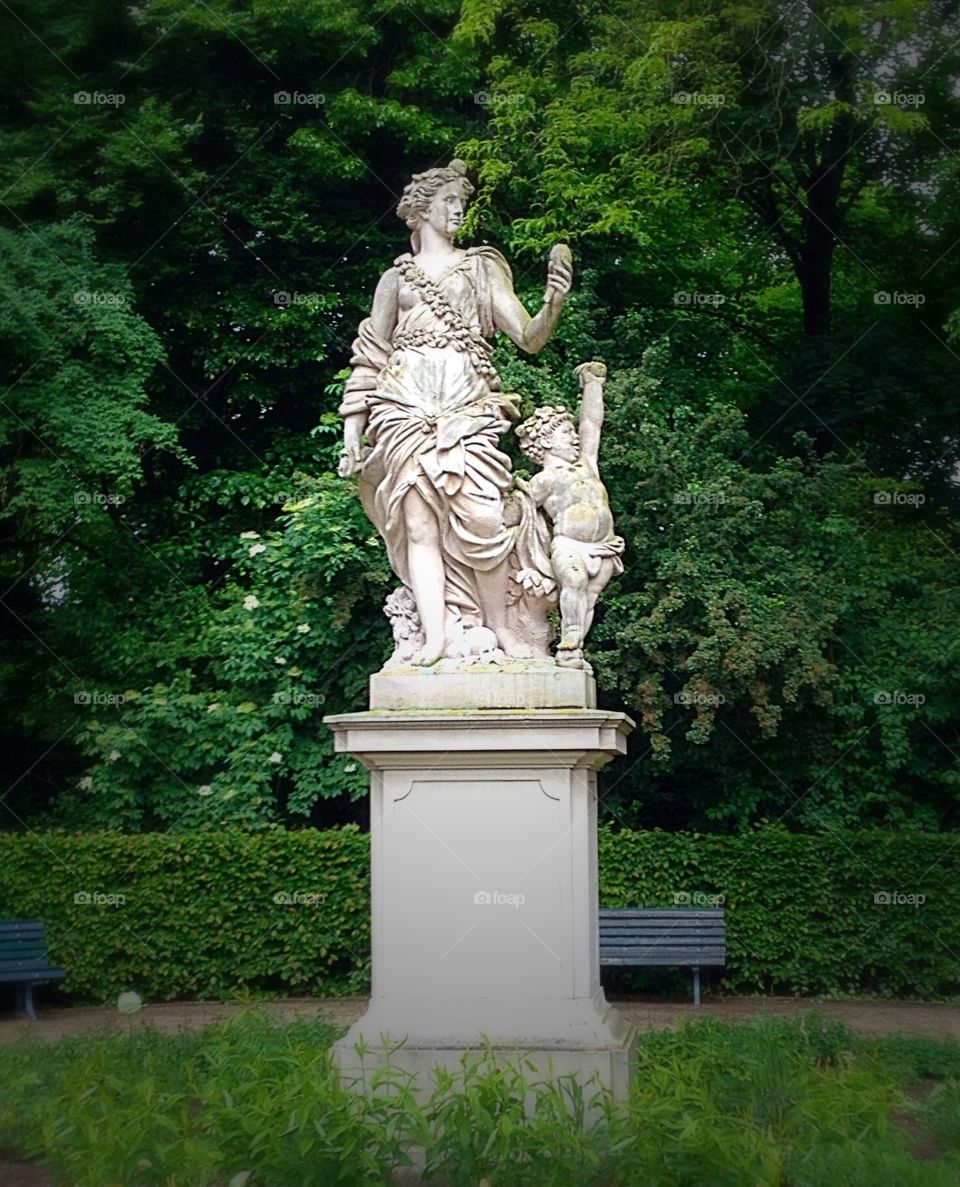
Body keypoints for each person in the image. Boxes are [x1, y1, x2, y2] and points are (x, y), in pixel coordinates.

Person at [337, 160, 572, 665]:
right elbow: (370, 357)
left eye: (461, 203)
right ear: (421, 209)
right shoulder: (393, 279)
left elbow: (529, 339)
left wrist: (552, 303)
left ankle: (502, 631)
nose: (459, 210)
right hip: (403, 406)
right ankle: (438, 637)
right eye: (449, 201)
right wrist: (352, 432)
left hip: (466, 406)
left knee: (484, 520)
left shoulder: (481, 267)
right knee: (418, 527)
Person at [514, 362, 624, 669]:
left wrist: (593, 385)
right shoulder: (541, 481)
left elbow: (591, 424)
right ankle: (569, 640)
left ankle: (571, 652)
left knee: (588, 599)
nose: (575, 437)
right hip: (569, 546)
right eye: (566, 433)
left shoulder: (587, 464)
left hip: (605, 546)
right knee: (573, 581)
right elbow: (514, 514)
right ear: (546, 441)